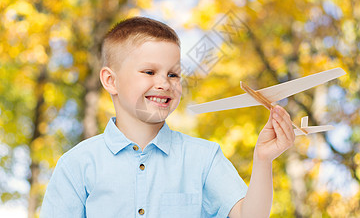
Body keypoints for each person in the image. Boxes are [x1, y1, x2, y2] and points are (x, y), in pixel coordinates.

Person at [41, 16, 295, 217]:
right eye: (149, 72)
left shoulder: (204, 158)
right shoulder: (76, 165)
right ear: (111, 80)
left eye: (173, 74)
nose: (164, 83)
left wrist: (263, 160)